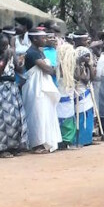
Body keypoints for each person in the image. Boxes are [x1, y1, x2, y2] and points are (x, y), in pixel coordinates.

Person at [21, 26, 61, 154]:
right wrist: (61, 69)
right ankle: (36, 144)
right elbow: (47, 69)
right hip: (36, 88)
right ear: (34, 39)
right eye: (42, 38)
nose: (45, 40)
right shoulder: (32, 53)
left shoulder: (40, 51)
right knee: (37, 114)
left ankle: (44, 142)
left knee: (45, 114)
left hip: (43, 86)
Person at [69, 33, 96, 147]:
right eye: (85, 40)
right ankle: (80, 140)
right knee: (81, 113)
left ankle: (87, 138)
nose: (87, 42)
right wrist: (80, 63)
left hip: (87, 89)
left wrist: (89, 65)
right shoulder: (72, 55)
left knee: (88, 113)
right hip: (78, 89)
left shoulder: (87, 55)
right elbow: (79, 77)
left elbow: (92, 78)